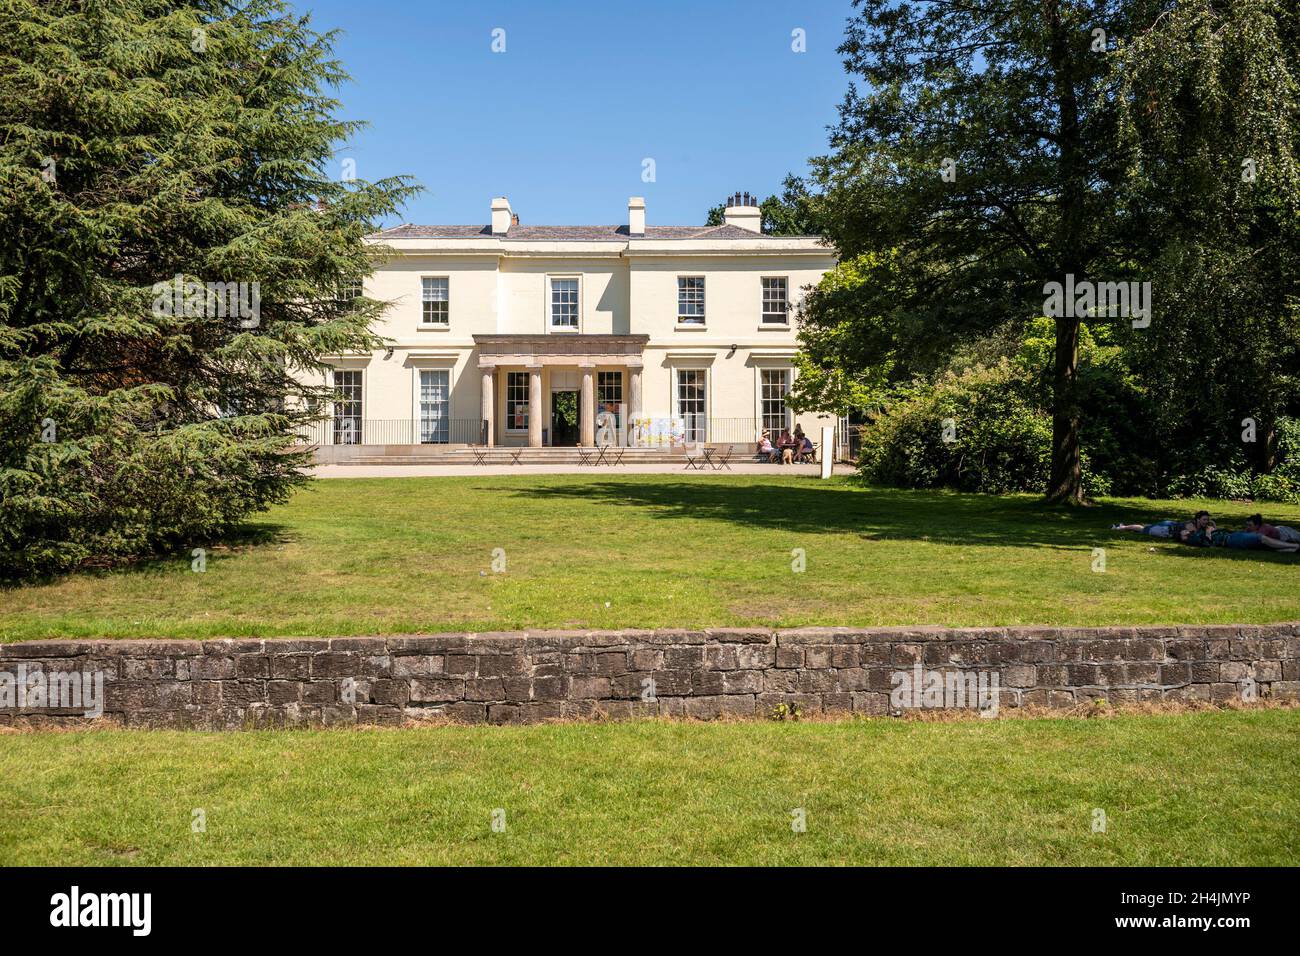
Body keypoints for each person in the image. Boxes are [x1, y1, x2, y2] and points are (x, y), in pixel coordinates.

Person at [1183, 521, 1299, 552]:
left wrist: (1213, 528)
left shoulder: (1200, 532)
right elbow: (1208, 543)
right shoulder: (1197, 538)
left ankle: (1293, 548)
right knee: (1260, 538)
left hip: (1233, 536)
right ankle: (1295, 546)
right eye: (1186, 532)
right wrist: (1209, 533)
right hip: (1232, 539)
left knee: (1266, 546)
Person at [1112, 518, 1184, 538]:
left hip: (1169, 525)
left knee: (1145, 527)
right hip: (1166, 529)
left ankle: (1124, 527)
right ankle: (1121, 527)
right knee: (1143, 529)